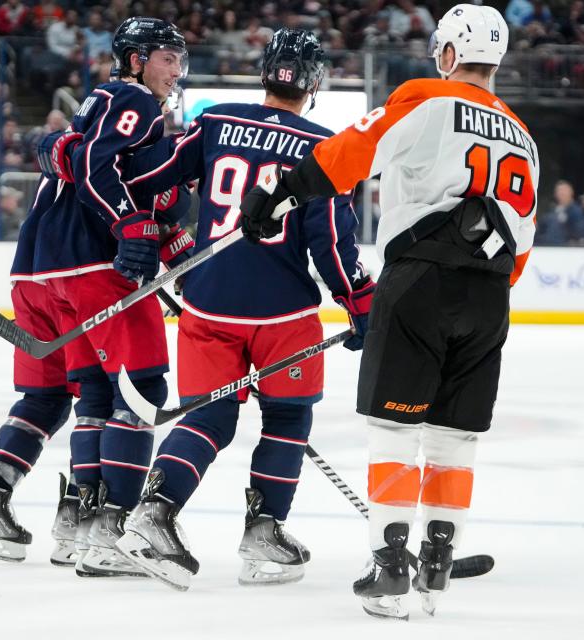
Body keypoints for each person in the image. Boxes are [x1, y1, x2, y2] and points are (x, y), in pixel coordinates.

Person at [237, 4, 538, 619]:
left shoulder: (428, 97)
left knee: (396, 429)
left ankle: (390, 568)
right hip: (490, 298)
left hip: (420, 283)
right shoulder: (525, 137)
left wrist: (281, 192)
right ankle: (437, 562)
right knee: (456, 436)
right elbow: (523, 245)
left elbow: (354, 149)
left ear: (450, 53)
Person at [112, 29, 373, 592]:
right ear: (314, 83)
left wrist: (148, 223)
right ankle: (264, 533)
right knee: (286, 419)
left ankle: (152, 517)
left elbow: (151, 180)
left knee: (207, 419)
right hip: (281, 315)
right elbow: (330, 242)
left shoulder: (214, 122)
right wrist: (359, 302)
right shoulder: (323, 149)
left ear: (265, 73)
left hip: (208, 302)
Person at [0, 18, 192, 578]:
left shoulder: (97, 107)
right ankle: (107, 528)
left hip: (37, 272)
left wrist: (163, 235)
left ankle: (34, 512)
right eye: (166, 57)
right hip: (89, 267)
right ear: (135, 60)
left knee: (81, 392)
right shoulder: (131, 98)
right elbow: (95, 168)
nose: (176, 69)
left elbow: (85, 161)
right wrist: (135, 225)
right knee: (138, 391)